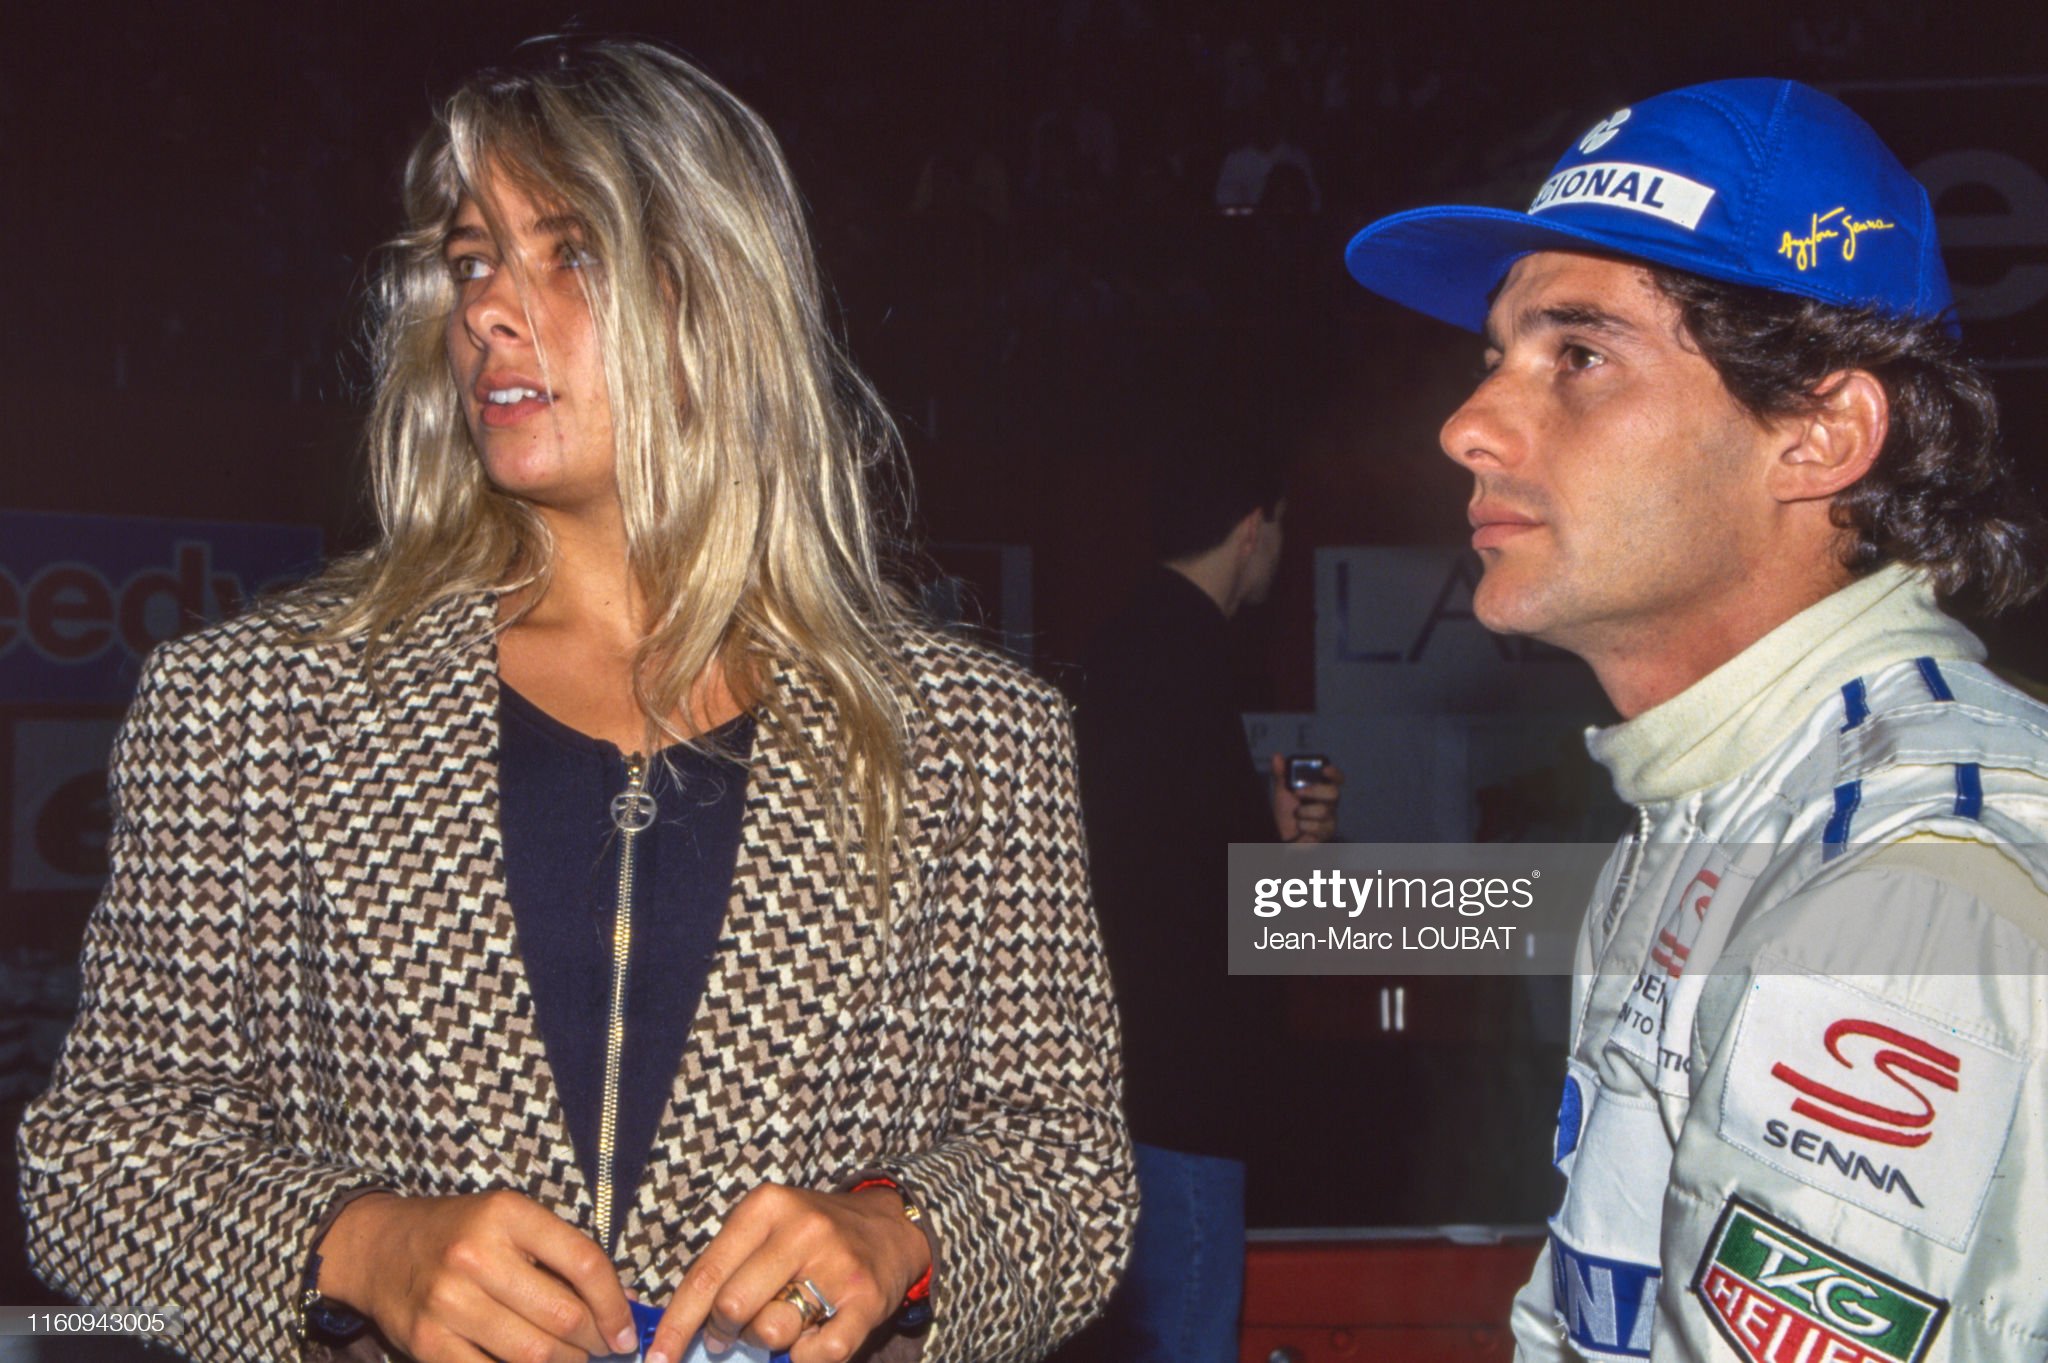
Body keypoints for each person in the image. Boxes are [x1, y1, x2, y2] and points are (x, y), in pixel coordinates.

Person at [18, 39, 1133, 1363]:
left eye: (568, 251)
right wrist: (360, 1246)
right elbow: (97, 1154)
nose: (489, 305)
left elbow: (1070, 1169)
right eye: (473, 254)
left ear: (717, 296)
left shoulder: (976, 734)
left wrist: (899, 1234)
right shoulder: (251, 706)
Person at [1343, 79, 2048, 1360]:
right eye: (1491, 358)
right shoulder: (1716, 802)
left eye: (1579, 355)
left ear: (1820, 432)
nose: (1466, 426)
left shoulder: (1896, 885)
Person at [1070, 446, 1340, 1362]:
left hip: (1116, 1093)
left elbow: (1158, 876)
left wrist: (1269, 845)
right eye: (1283, 529)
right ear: (1252, 529)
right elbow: (1226, 920)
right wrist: (1296, 859)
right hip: (1179, 1105)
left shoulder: (1121, 649)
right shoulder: (1184, 661)